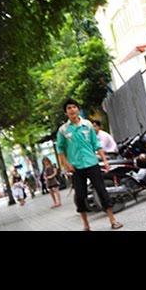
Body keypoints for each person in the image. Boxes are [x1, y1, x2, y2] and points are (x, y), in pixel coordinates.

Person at [56, 98, 123, 231]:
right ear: (66, 113)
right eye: (68, 108)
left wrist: (104, 160)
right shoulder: (63, 130)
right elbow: (60, 149)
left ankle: (113, 220)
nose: (72, 110)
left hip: (92, 163)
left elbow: (96, 144)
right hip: (76, 168)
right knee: (80, 196)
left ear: (78, 109)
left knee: (102, 191)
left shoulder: (87, 125)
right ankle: (86, 225)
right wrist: (66, 164)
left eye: (74, 107)